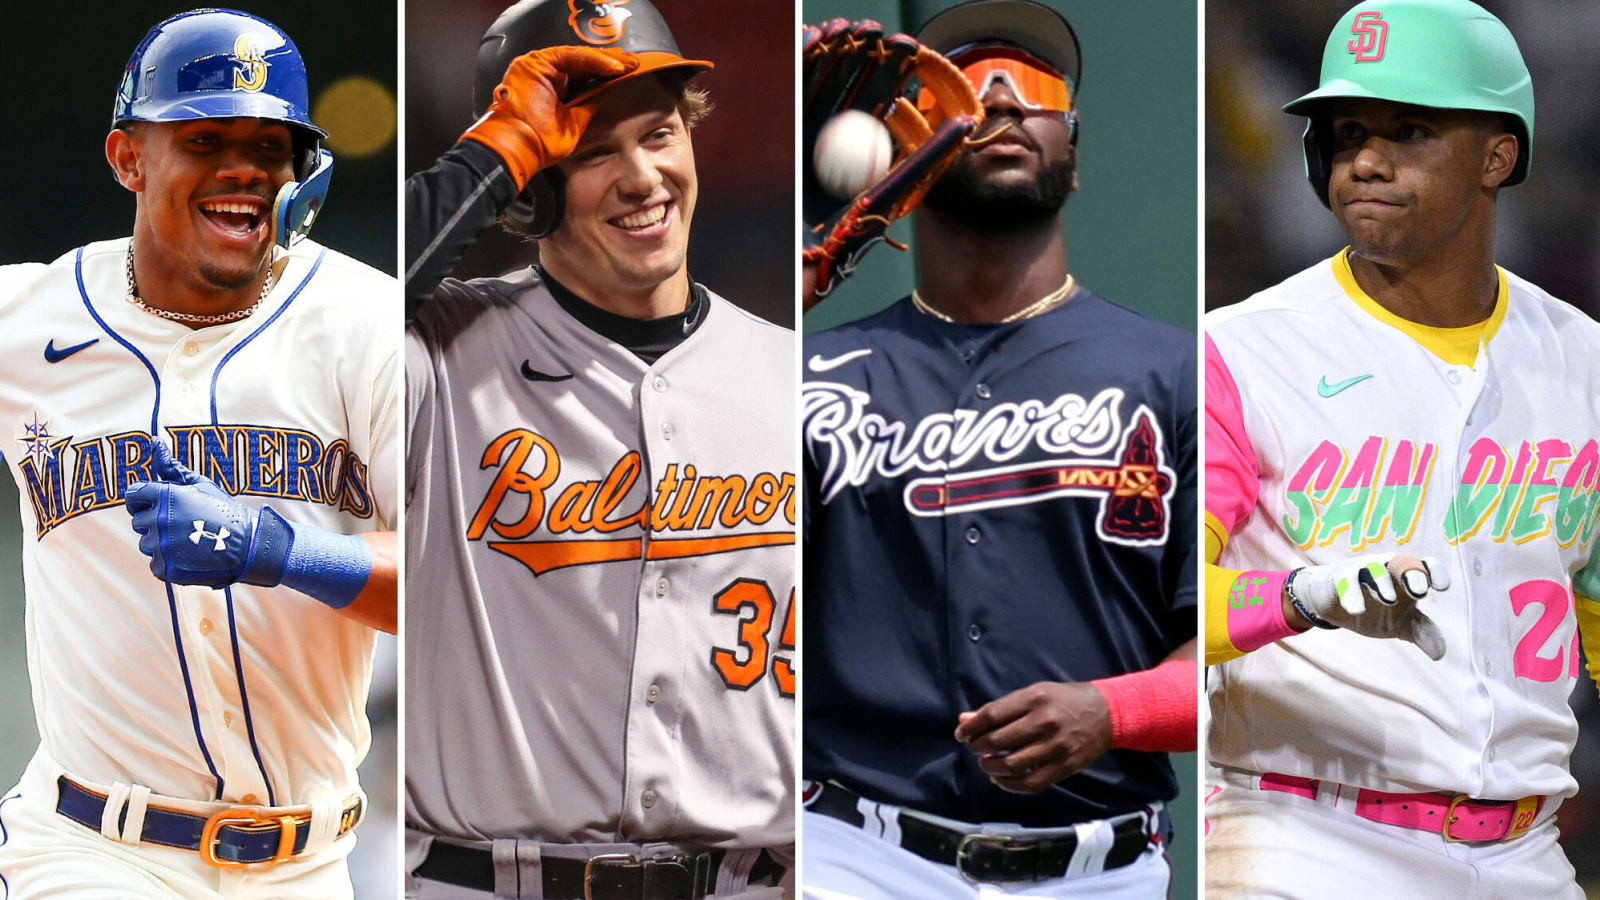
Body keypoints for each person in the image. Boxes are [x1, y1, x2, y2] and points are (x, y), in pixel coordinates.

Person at [0, 9, 399, 898]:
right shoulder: (26, 322)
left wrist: (278, 549)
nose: (244, 170)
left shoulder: (368, 326)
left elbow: (468, 589)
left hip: (313, 862)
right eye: (205, 137)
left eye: (271, 144)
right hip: (92, 848)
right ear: (128, 159)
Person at [1203, 1, 1599, 896]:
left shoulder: (1582, 357)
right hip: (1306, 835)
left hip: (1528, 850)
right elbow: (1164, 602)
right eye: (1346, 134)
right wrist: (1303, 597)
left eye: (1407, 130)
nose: (1364, 161)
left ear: (1498, 155)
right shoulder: (1244, 349)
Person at [801, 2, 1197, 896]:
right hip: (854, 853)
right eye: (969, 85)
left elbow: (1232, 648)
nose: (1007, 100)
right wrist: (781, 292)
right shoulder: (810, 372)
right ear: (905, 154)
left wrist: (1112, 710)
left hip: (1103, 868)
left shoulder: (1177, 374)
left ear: (1077, 154)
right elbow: (687, 542)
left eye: (1038, 87)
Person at [402, 1, 794, 897]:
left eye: (660, 135)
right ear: (530, 186)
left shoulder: (790, 373)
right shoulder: (439, 352)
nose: (642, 177)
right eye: (591, 152)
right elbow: (323, 312)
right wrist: (495, 151)